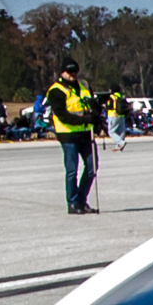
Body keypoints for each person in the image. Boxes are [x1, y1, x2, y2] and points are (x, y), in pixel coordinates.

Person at [46, 59, 97, 213]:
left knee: (92, 167)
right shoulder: (56, 90)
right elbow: (62, 115)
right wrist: (83, 119)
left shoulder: (84, 85)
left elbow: (93, 104)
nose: (73, 74)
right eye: (69, 72)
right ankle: (73, 203)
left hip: (85, 133)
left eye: (75, 71)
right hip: (67, 134)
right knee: (72, 170)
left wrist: (95, 114)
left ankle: (82, 200)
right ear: (62, 72)